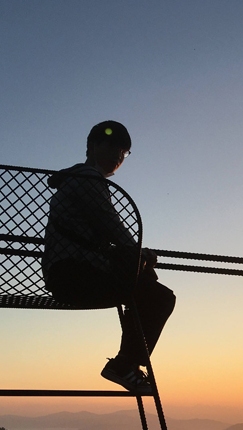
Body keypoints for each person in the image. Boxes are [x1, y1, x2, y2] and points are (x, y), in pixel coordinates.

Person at [42, 120, 176, 393]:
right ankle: (125, 364)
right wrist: (140, 253)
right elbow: (112, 226)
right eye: (112, 146)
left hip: (71, 272)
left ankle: (126, 363)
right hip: (74, 274)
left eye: (124, 151)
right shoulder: (88, 179)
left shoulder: (77, 179)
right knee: (160, 297)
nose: (118, 155)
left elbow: (100, 232)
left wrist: (137, 258)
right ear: (91, 146)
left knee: (146, 285)